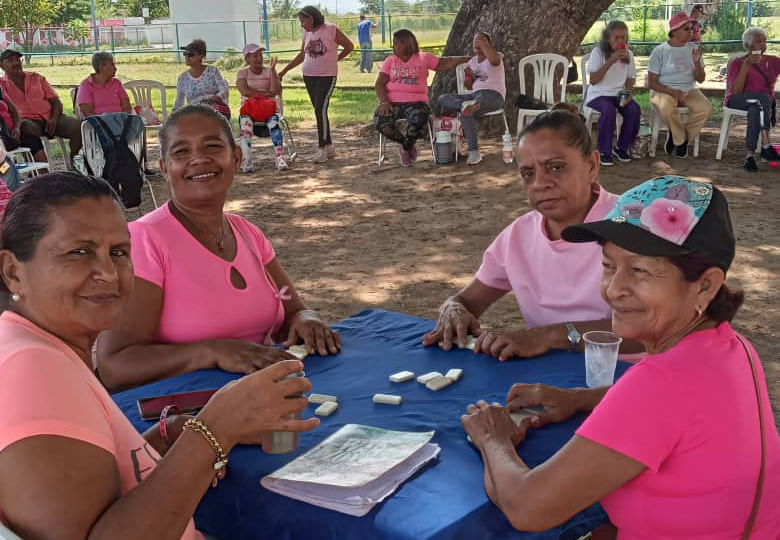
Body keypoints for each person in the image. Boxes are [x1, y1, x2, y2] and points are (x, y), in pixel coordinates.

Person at [0, 172, 319, 539]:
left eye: (118, 252)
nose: (108, 273)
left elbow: (92, 486)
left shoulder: (38, 347)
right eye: (79, 252)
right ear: (13, 272)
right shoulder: (33, 371)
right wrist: (213, 429)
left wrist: (164, 438)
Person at [461, 175, 780, 538]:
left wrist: (493, 438)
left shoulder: (660, 383)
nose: (613, 290)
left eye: (640, 270)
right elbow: (678, 419)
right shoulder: (729, 345)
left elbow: (526, 507)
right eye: (609, 266)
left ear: (705, 285)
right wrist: (580, 399)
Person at [97, 105, 340, 391]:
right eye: (181, 152)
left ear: (235, 157)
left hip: (264, 398)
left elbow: (292, 313)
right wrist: (212, 352)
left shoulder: (247, 233)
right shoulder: (145, 240)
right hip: (187, 418)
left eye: (212, 146)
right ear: (164, 168)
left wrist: (307, 319)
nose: (199, 159)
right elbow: (115, 365)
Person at [422, 110, 642, 361]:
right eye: (528, 174)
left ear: (592, 166)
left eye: (556, 167)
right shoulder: (517, 237)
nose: (540, 184)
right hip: (549, 381)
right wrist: (453, 309)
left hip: (631, 380)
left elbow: (651, 328)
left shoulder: (633, 224)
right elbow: (466, 302)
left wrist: (546, 337)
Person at [375, 29, 469, 167]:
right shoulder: (390, 61)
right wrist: (384, 102)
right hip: (391, 103)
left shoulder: (423, 58)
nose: (393, 46)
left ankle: (404, 149)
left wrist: (465, 59)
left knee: (419, 119)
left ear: (406, 43)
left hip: (416, 102)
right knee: (380, 121)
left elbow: (445, 63)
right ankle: (406, 145)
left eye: (396, 43)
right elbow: (379, 83)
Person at [278, 6, 354, 164]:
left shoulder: (331, 29)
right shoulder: (307, 33)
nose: (301, 24)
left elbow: (349, 46)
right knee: (319, 110)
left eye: (303, 21)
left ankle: (321, 149)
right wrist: (284, 70)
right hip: (309, 76)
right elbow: (302, 54)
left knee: (320, 108)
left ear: (311, 19)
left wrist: (336, 59)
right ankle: (329, 146)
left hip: (327, 76)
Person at [0, 48, 82, 165]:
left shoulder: (36, 78)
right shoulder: (1, 85)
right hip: (27, 121)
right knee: (26, 128)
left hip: (51, 117)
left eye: (17, 59)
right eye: (10, 60)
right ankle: (41, 169)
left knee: (78, 126)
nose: (15, 63)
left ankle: (74, 163)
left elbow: (56, 101)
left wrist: (54, 119)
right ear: (2, 66)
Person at [648, 12, 712, 158]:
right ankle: (680, 139)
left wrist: (697, 63)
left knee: (705, 108)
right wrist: (671, 91)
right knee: (666, 106)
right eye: (686, 29)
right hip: (663, 90)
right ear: (674, 31)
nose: (691, 32)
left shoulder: (693, 49)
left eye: (691, 28)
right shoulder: (660, 51)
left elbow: (701, 79)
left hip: (688, 89)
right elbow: (651, 82)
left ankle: (679, 138)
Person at [437, 31, 506, 166]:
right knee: (443, 98)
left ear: (489, 45)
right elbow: (468, 86)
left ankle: (473, 152)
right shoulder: (473, 62)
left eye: (481, 40)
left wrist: (484, 45)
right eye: (475, 41)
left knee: (469, 110)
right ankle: (465, 106)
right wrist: (469, 76)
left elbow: (494, 60)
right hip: (473, 95)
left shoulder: (495, 56)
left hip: (493, 95)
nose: (477, 42)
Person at [585, 20, 641, 167]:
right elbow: (594, 80)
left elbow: (630, 78)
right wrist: (612, 60)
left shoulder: (628, 54)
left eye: (624, 37)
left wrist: (627, 94)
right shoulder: (598, 53)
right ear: (608, 38)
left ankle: (621, 148)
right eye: (617, 38)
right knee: (608, 110)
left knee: (633, 109)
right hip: (598, 94)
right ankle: (604, 151)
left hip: (618, 94)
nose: (621, 41)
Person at [726, 26, 780, 172]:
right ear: (748, 45)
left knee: (758, 106)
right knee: (762, 100)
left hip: (761, 104)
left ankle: (749, 156)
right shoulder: (738, 63)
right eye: (758, 41)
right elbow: (736, 91)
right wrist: (746, 65)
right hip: (738, 100)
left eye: (764, 40)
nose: (763, 44)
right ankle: (766, 145)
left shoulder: (773, 61)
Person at [236, 43, 288, 173]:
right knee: (245, 128)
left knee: (275, 126)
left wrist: (273, 71)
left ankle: (280, 157)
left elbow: (275, 91)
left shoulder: (269, 71)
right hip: (250, 110)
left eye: (260, 55)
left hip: (268, 110)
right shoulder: (242, 73)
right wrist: (266, 94)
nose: (259, 58)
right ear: (247, 59)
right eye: (255, 56)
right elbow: (245, 91)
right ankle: (246, 160)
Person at [173, 39, 231, 118]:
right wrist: (173, 119)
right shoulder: (182, 78)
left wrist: (216, 98)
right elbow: (179, 102)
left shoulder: (213, 71)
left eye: (190, 55)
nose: (186, 57)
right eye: (185, 54)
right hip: (195, 114)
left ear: (201, 56)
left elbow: (224, 90)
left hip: (215, 112)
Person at [76, 51, 132, 118]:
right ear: (102, 67)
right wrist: (107, 123)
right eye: (112, 65)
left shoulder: (117, 83)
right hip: (99, 125)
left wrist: (121, 120)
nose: (115, 68)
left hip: (121, 123)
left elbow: (127, 106)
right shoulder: (86, 85)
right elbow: (87, 112)